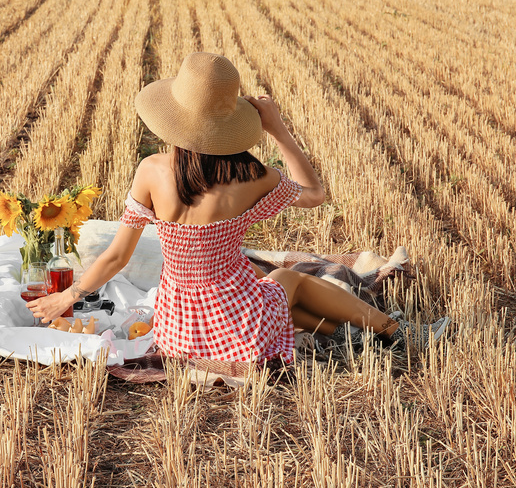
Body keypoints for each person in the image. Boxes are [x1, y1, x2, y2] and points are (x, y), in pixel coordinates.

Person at [26, 52, 449, 363]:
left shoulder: (151, 170)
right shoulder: (252, 177)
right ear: (232, 124)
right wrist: (278, 127)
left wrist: (67, 296)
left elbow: (117, 256)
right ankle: (398, 331)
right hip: (236, 323)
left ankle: (359, 339)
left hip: (180, 330)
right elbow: (315, 193)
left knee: (281, 300)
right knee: (286, 278)